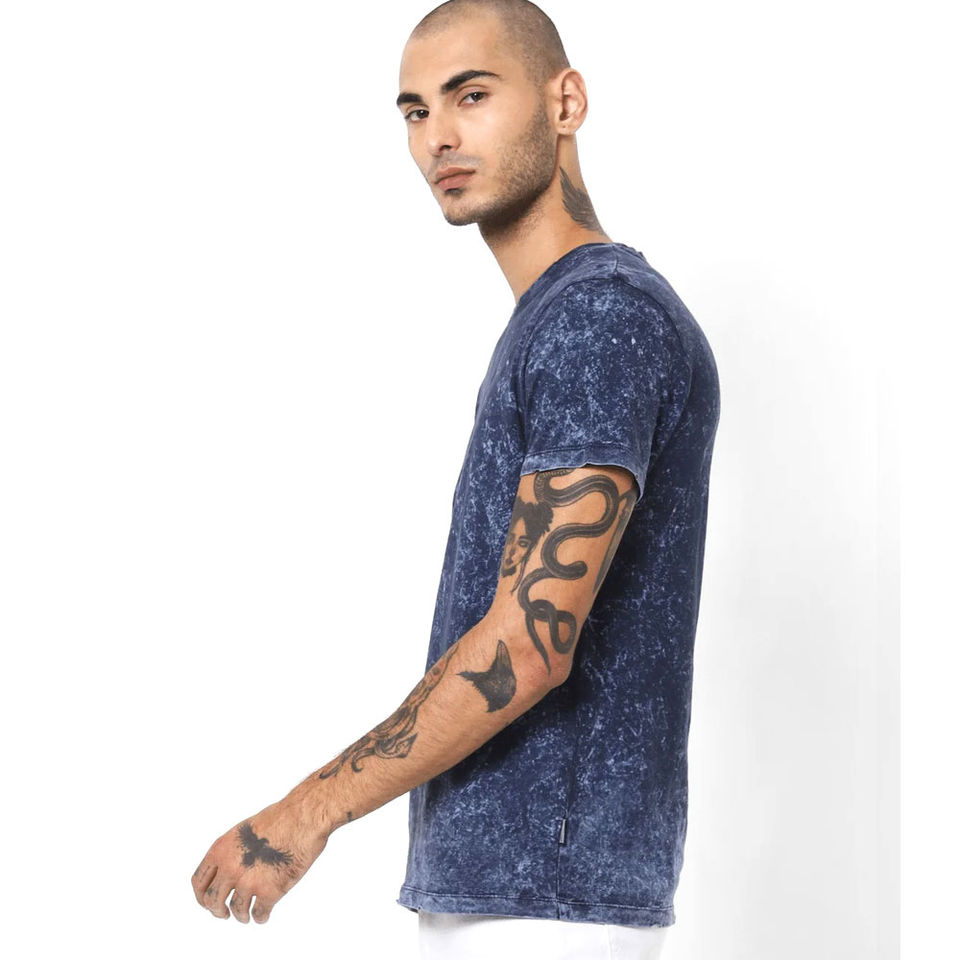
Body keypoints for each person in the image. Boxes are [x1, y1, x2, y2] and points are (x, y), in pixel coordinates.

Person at [190, 2, 720, 958]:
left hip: (546, 901)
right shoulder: (558, 317)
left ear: (566, 102)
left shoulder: (598, 319)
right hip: (520, 891)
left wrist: (305, 812)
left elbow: (531, 641)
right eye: (414, 110)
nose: (437, 135)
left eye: (471, 95)